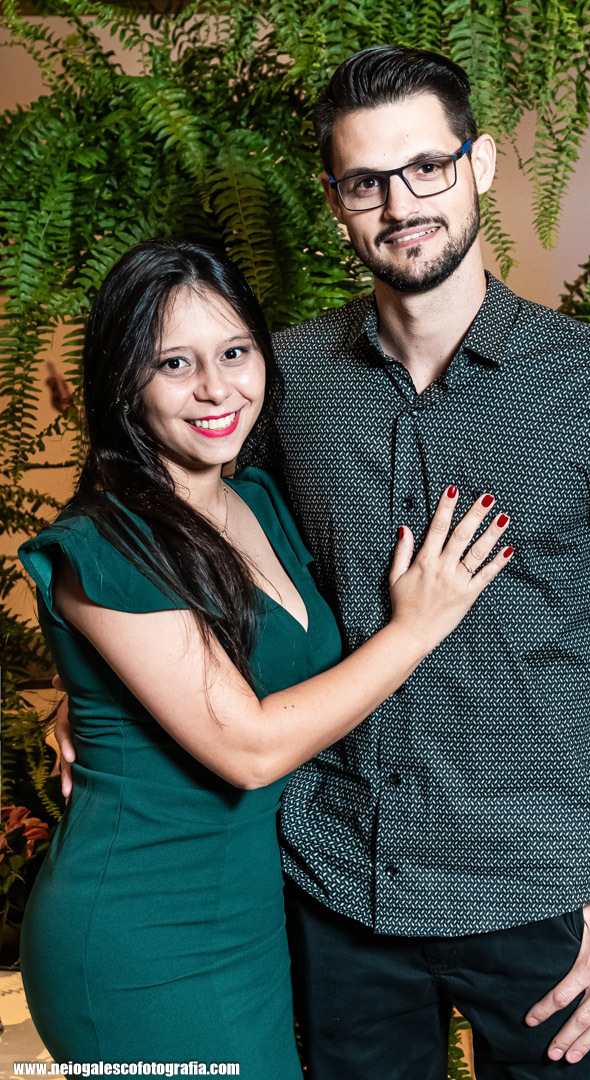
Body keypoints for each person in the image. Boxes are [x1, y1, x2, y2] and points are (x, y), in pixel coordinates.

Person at [263, 45, 590, 1079]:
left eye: (427, 166)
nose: (401, 204)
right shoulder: (286, 383)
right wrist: (101, 697)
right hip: (337, 889)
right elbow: (198, 553)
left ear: (481, 163)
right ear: (334, 200)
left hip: (547, 898)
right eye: (367, 181)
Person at [16, 237, 517, 1075]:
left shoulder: (254, 500)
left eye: (235, 352)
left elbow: (296, 677)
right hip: (139, 938)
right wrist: (418, 626)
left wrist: (571, 714)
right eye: (174, 363)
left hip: (248, 920)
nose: (216, 388)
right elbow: (248, 747)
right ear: (123, 380)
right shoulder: (105, 542)